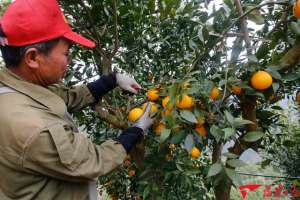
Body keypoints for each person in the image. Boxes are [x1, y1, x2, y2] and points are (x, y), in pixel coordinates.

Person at [0, 0, 153, 199]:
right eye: (66, 53)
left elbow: (64, 97)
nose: (69, 60)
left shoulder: (18, 86)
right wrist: (135, 131)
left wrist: (112, 80)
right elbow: (92, 160)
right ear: (32, 58)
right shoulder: (33, 128)